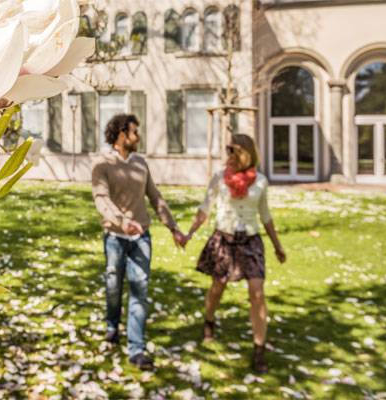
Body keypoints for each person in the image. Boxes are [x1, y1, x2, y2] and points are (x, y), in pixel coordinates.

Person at [181, 134, 286, 374]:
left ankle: (259, 351)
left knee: (257, 292)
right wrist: (189, 233)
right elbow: (204, 209)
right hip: (224, 240)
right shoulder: (219, 178)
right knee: (218, 287)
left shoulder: (260, 181)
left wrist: (277, 245)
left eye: (234, 151)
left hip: (250, 242)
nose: (230, 156)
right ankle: (209, 319)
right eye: (228, 150)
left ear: (247, 154)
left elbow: (265, 215)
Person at [90, 114, 186, 371]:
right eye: (135, 132)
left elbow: (155, 198)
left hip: (141, 237)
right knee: (113, 286)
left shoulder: (141, 164)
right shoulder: (102, 164)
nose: (138, 136)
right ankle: (112, 326)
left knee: (139, 290)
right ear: (122, 135)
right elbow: (101, 198)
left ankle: (136, 349)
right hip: (115, 237)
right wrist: (121, 221)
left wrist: (173, 228)